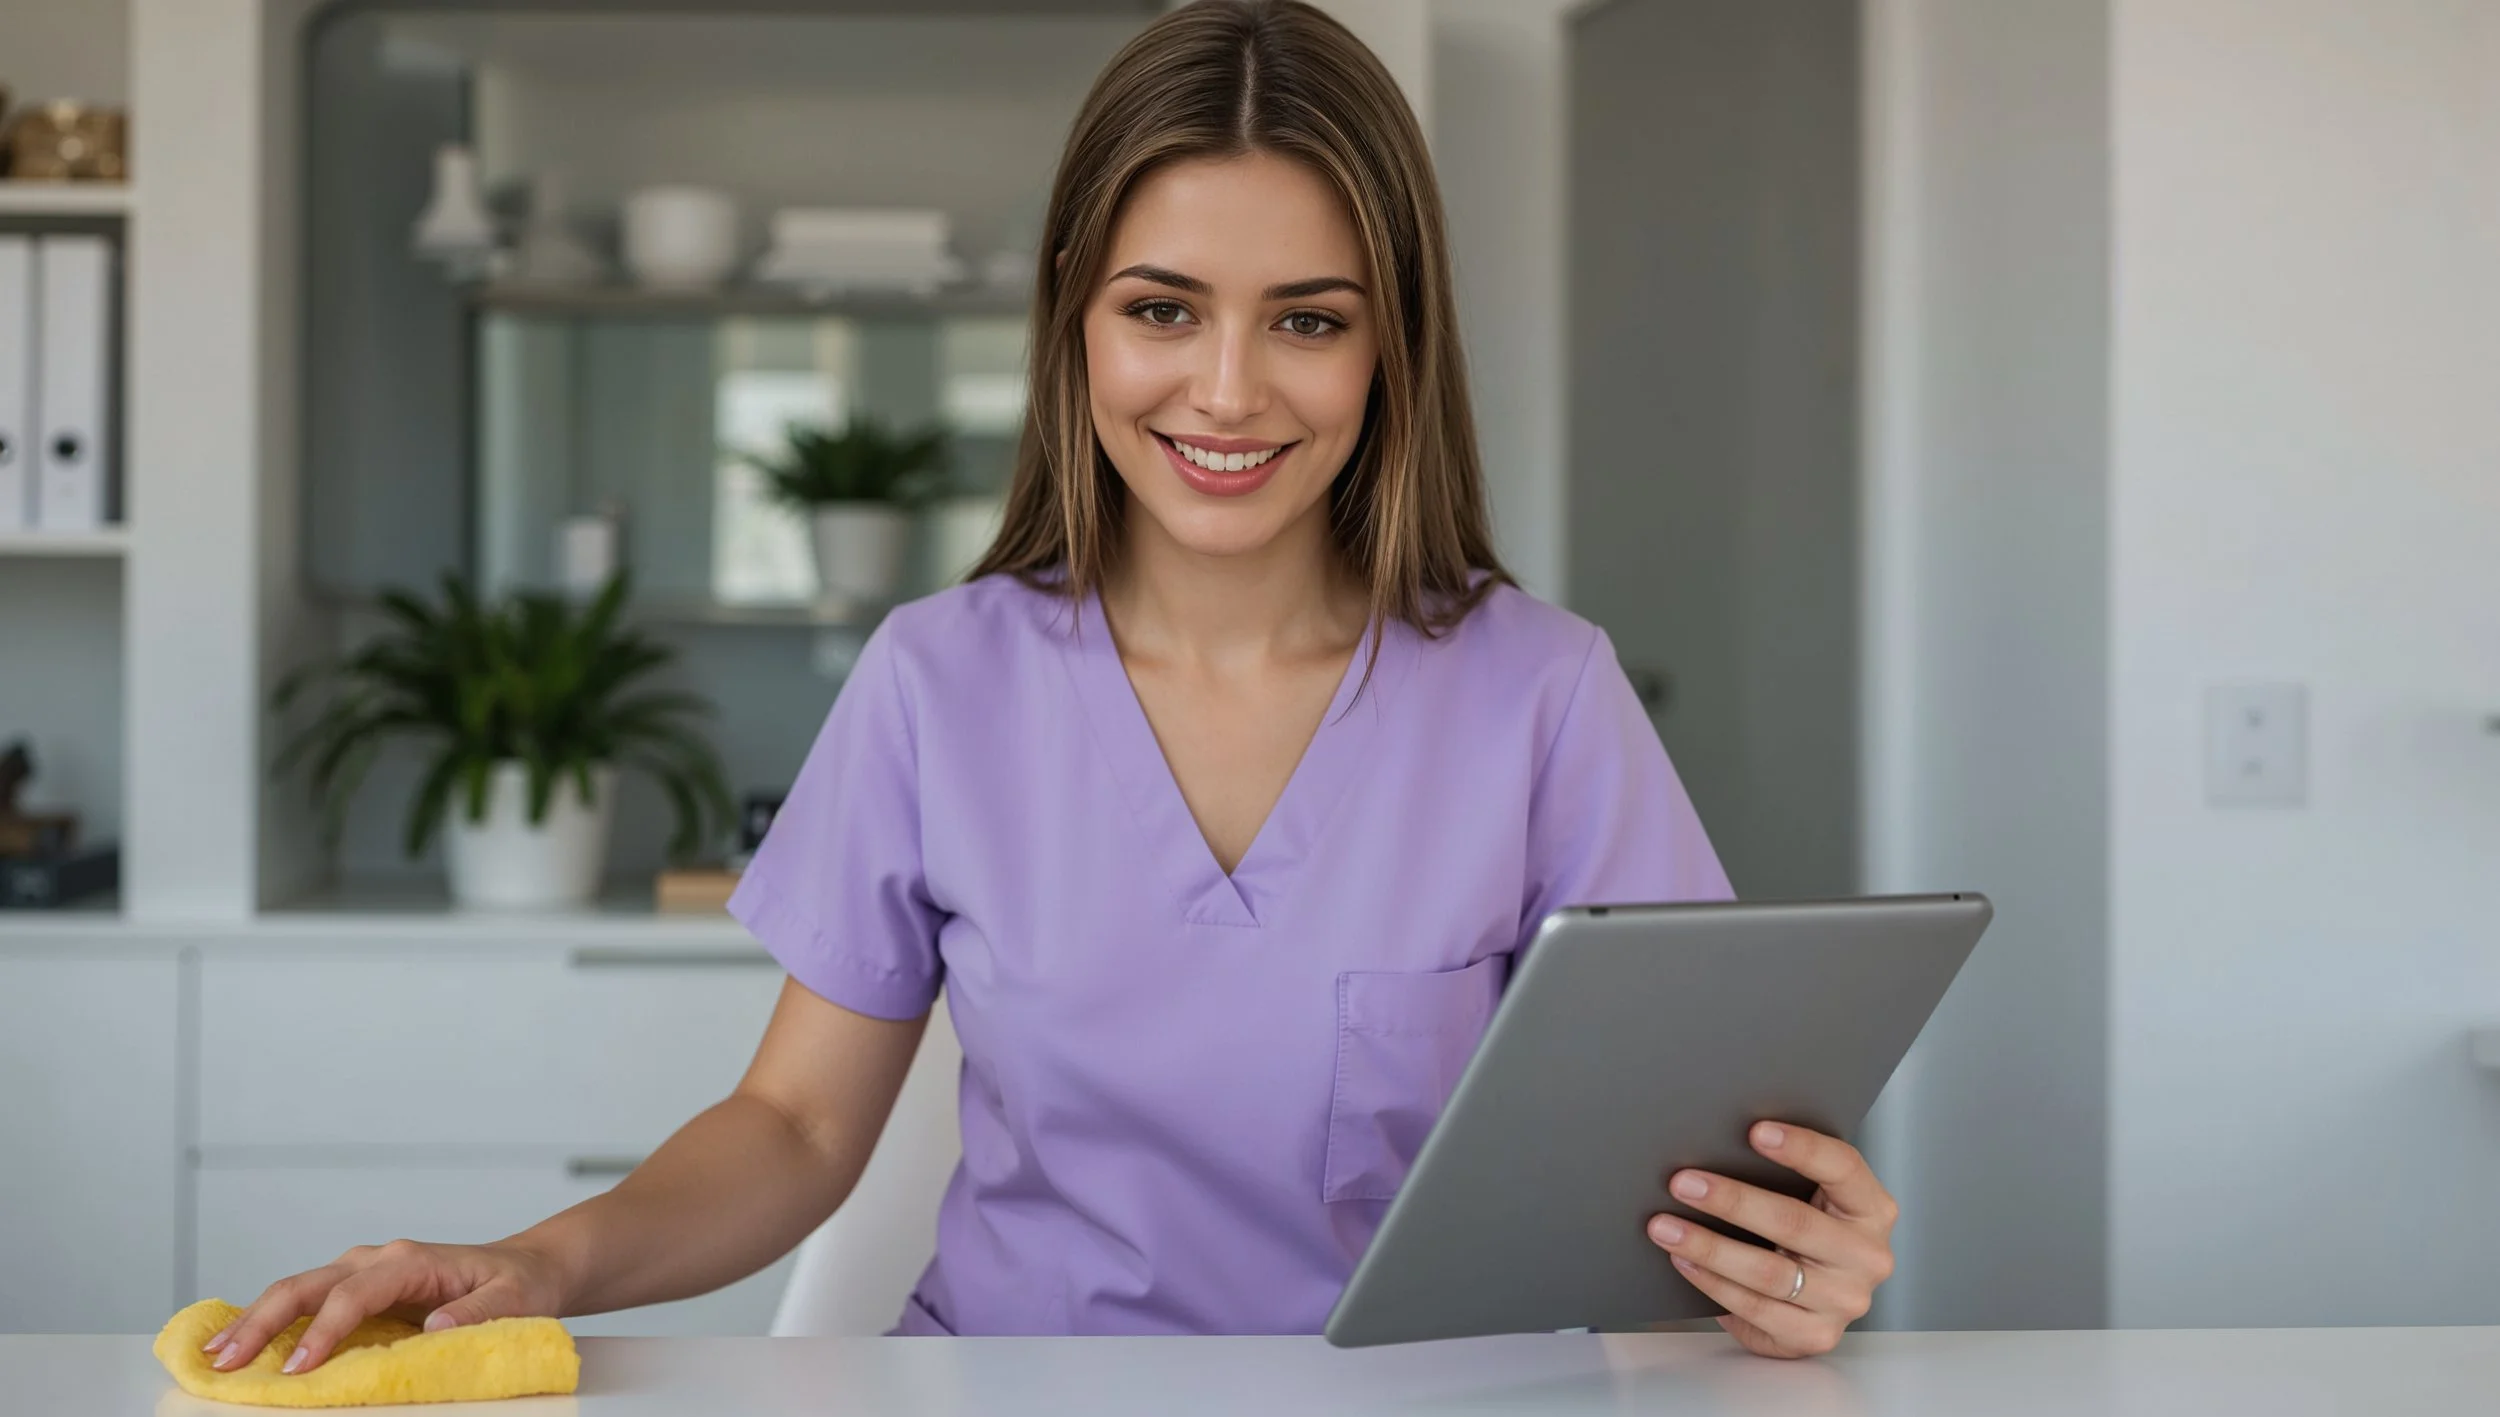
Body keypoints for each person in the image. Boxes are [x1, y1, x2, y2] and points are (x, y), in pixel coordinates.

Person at [202, 0, 1899, 1374]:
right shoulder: (942, 682)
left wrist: (1789, 1272)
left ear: (1394, 350)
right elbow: (795, 1127)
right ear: (1074, 323)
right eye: (1164, 308)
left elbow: (1693, 1195)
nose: (1227, 391)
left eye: (1309, 321)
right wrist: (540, 1259)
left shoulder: (1545, 698)